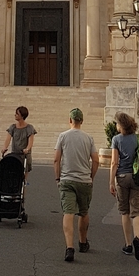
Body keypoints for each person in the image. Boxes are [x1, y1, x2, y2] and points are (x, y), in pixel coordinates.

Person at [54, 107, 99, 262]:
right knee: (84, 212)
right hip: (84, 180)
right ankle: (82, 242)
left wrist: (58, 178)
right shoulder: (89, 138)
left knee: (68, 212)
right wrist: (91, 176)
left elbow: (56, 159)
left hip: (67, 180)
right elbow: (96, 160)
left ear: (70, 120)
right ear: (82, 121)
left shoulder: (63, 136)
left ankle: (69, 247)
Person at [109, 111, 139, 261]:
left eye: (117, 123)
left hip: (122, 177)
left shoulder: (116, 139)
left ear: (121, 125)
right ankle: (137, 238)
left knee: (124, 211)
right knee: (137, 211)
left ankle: (128, 245)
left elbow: (114, 163)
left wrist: (111, 182)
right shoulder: (138, 139)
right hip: (137, 178)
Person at [2, 107, 37, 175]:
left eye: (17, 114)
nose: (15, 115)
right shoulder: (13, 127)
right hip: (15, 154)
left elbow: (30, 141)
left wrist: (27, 149)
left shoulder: (29, 128)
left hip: (25, 155)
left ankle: (24, 184)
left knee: (23, 175)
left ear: (22, 116)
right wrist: (4, 147)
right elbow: (8, 139)